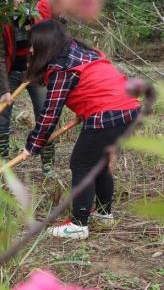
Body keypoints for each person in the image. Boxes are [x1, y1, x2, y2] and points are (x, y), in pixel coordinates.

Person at [22, 20, 140, 239]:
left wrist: (33, 145)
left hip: (108, 114)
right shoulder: (83, 51)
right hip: (130, 109)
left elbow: (50, 114)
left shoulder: (61, 68)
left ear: (45, 45)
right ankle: (104, 214)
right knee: (100, 162)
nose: (29, 50)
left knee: (81, 163)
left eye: (32, 45)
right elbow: (98, 82)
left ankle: (78, 225)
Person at [0, 0, 55, 175]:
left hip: (37, 73)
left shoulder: (42, 7)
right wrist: (6, 88)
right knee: (0, 118)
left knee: (46, 115)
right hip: (10, 72)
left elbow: (59, 28)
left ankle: (48, 165)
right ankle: (2, 167)